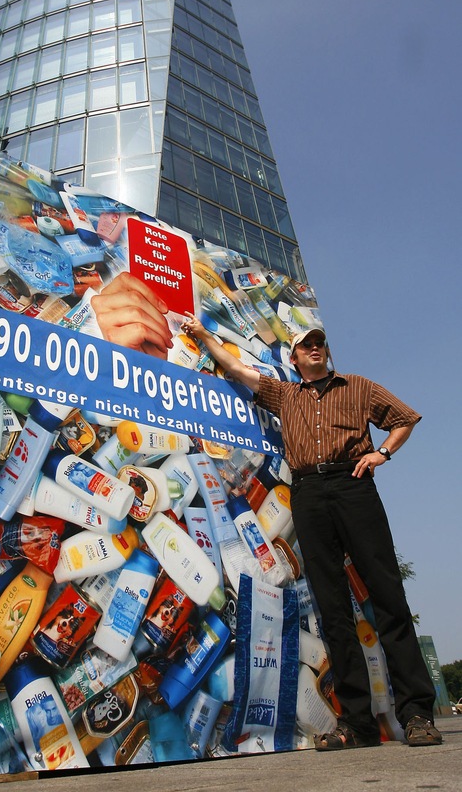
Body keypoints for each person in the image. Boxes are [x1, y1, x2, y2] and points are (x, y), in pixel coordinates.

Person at [182, 313, 442, 750]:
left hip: (353, 485)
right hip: (307, 492)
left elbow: (404, 418)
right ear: (295, 357)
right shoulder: (285, 396)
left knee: (387, 596)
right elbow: (239, 370)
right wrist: (206, 336)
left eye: (319, 342)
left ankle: (416, 713)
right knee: (333, 609)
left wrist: (382, 453)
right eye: (306, 345)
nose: (315, 348)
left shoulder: (357, 387)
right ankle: (357, 725)